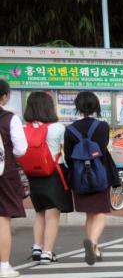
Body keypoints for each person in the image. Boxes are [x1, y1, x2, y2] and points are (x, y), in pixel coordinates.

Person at [62, 91, 118, 265]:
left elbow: (69, 156)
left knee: (89, 214)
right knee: (100, 213)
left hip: (80, 177)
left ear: (77, 107)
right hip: (100, 173)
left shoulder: (70, 130)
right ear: (96, 106)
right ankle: (93, 243)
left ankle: (95, 248)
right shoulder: (102, 127)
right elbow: (102, 148)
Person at [19, 90, 71, 263]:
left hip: (33, 174)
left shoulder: (23, 128)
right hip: (54, 173)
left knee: (39, 212)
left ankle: (37, 247)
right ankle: (47, 252)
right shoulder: (57, 128)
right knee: (52, 215)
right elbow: (67, 151)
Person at [0, 80, 28, 278]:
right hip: (4, 173)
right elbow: (21, 149)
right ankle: (4, 266)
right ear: (4, 96)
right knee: (2, 219)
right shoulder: (10, 119)